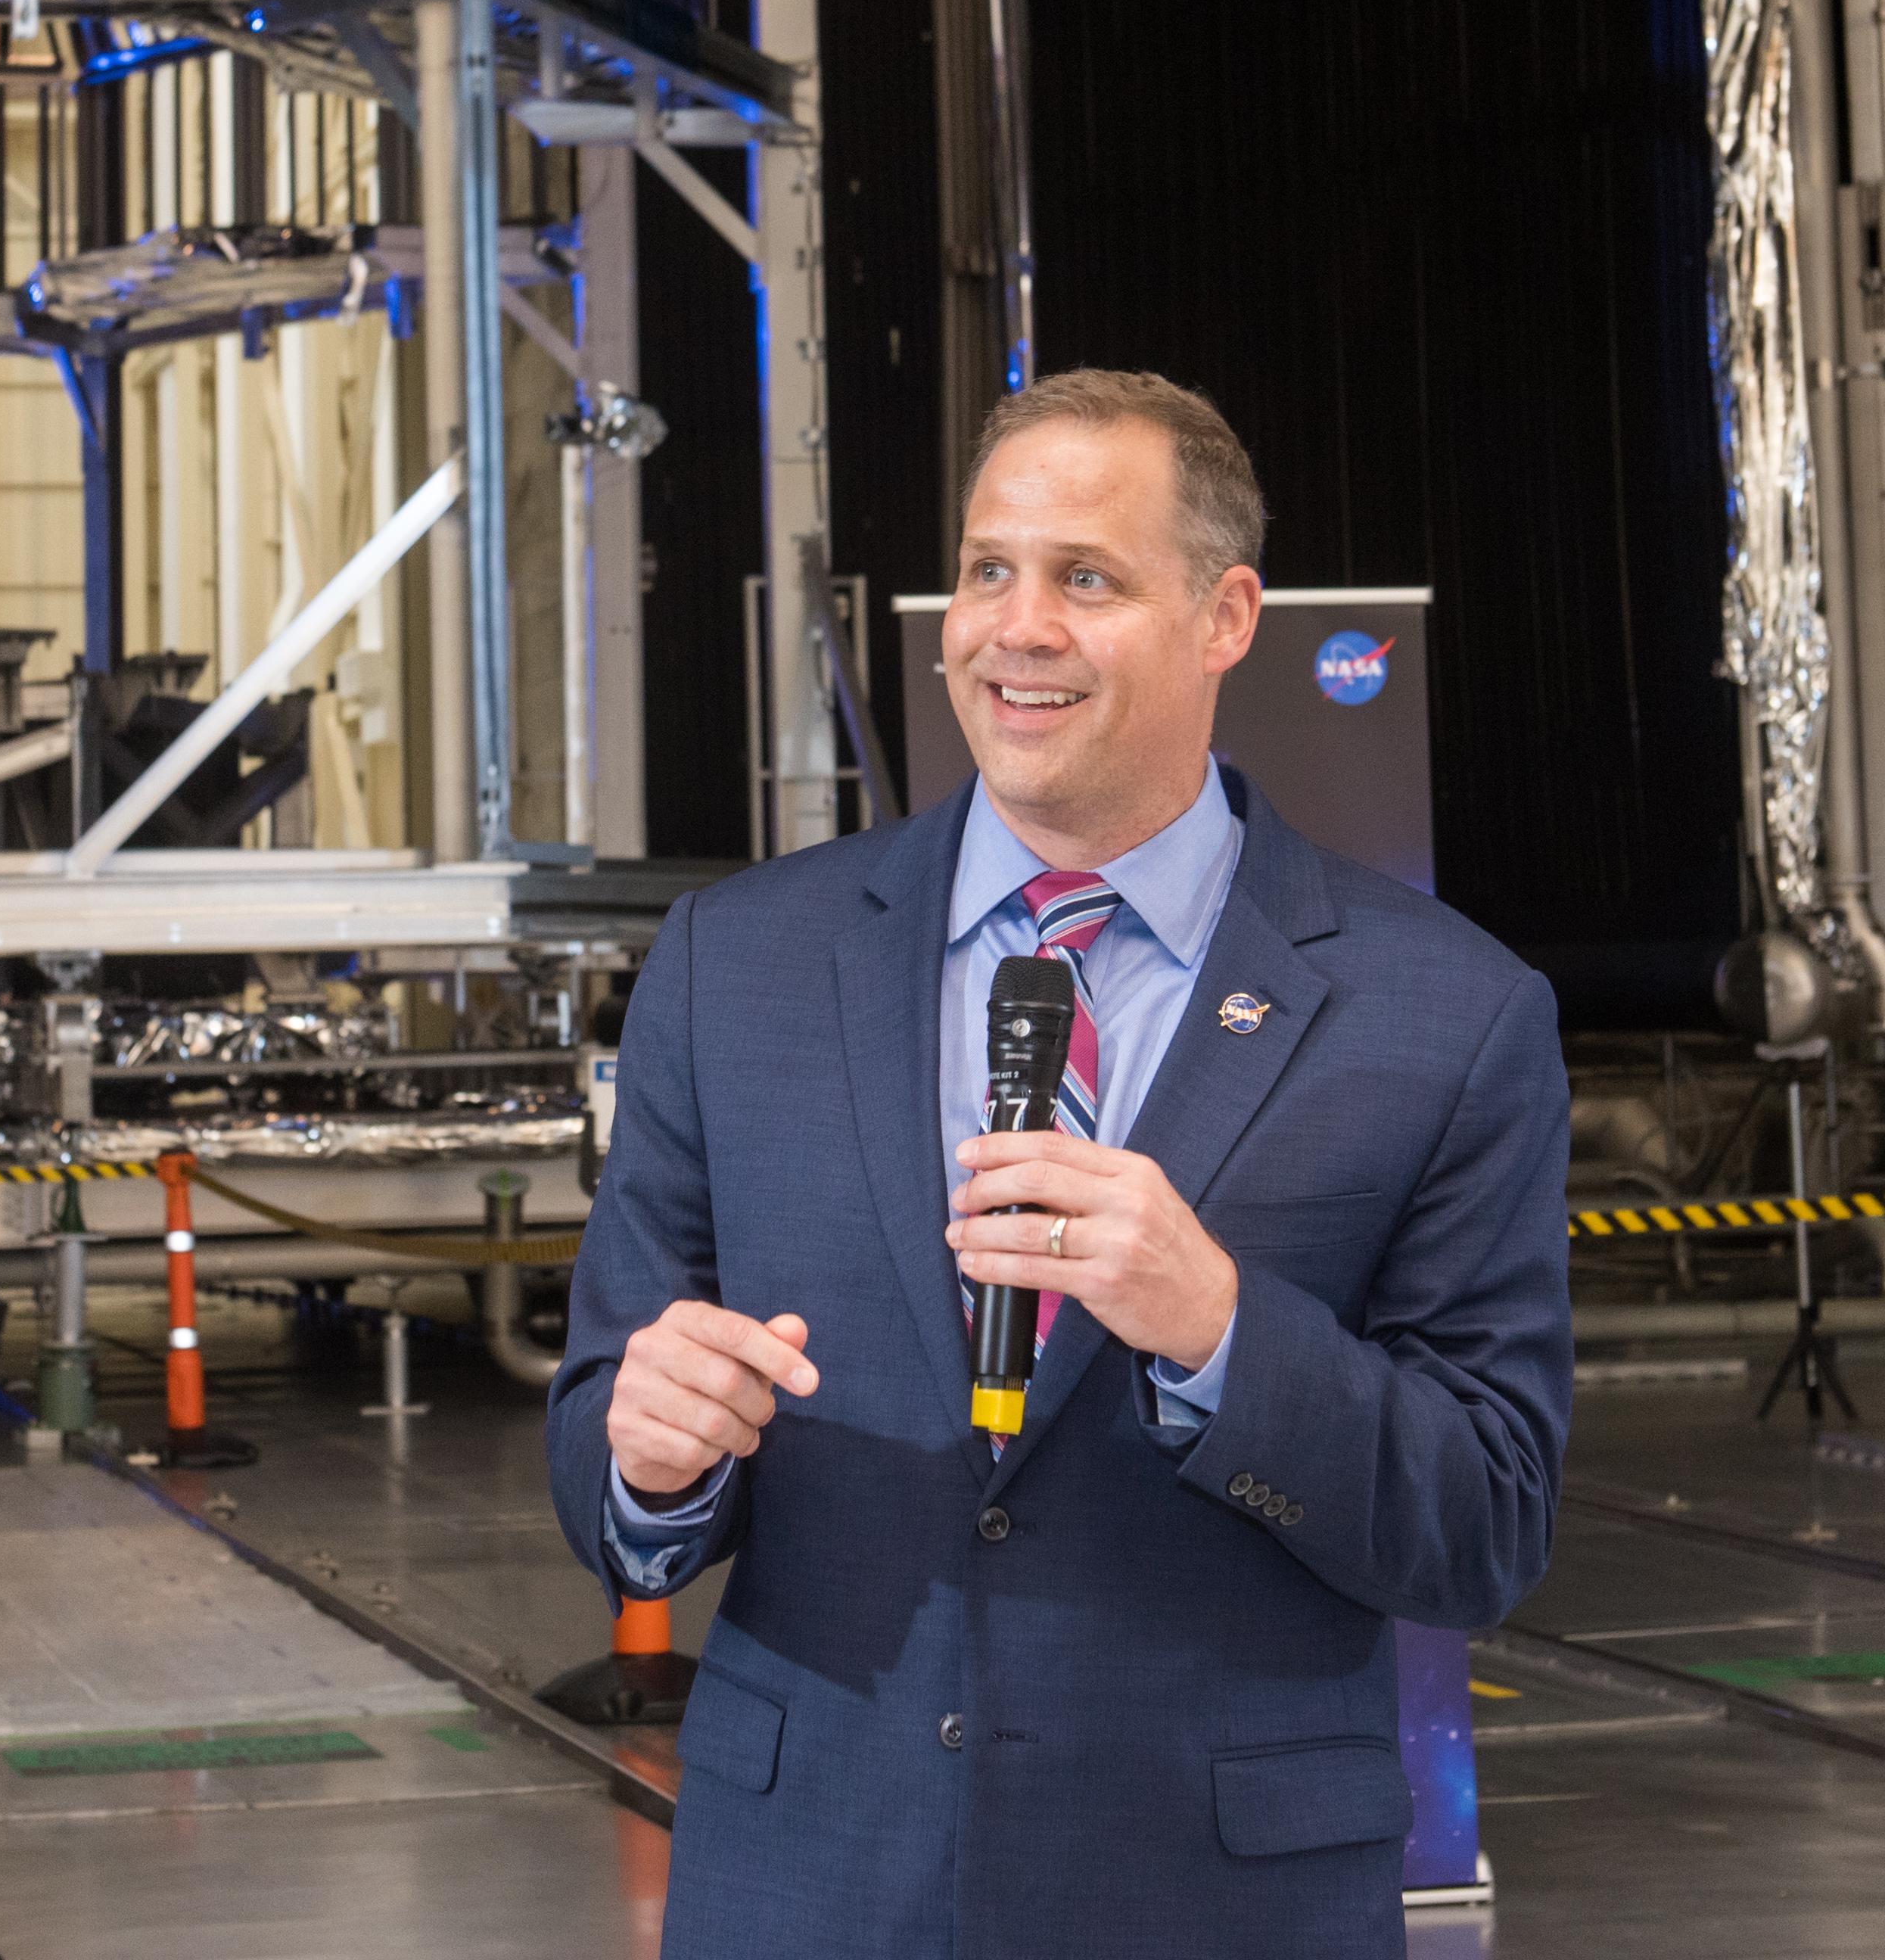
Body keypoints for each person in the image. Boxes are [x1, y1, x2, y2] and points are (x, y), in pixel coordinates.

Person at [547, 369, 1572, 1960]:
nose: (1012, 626)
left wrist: (1220, 1325)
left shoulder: (1442, 1014)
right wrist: (648, 1455)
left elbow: (1483, 1525)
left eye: (1084, 578)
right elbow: (606, 1439)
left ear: (1225, 617)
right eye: (985, 569)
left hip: (1213, 1899)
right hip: (809, 1882)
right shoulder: (733, 962)